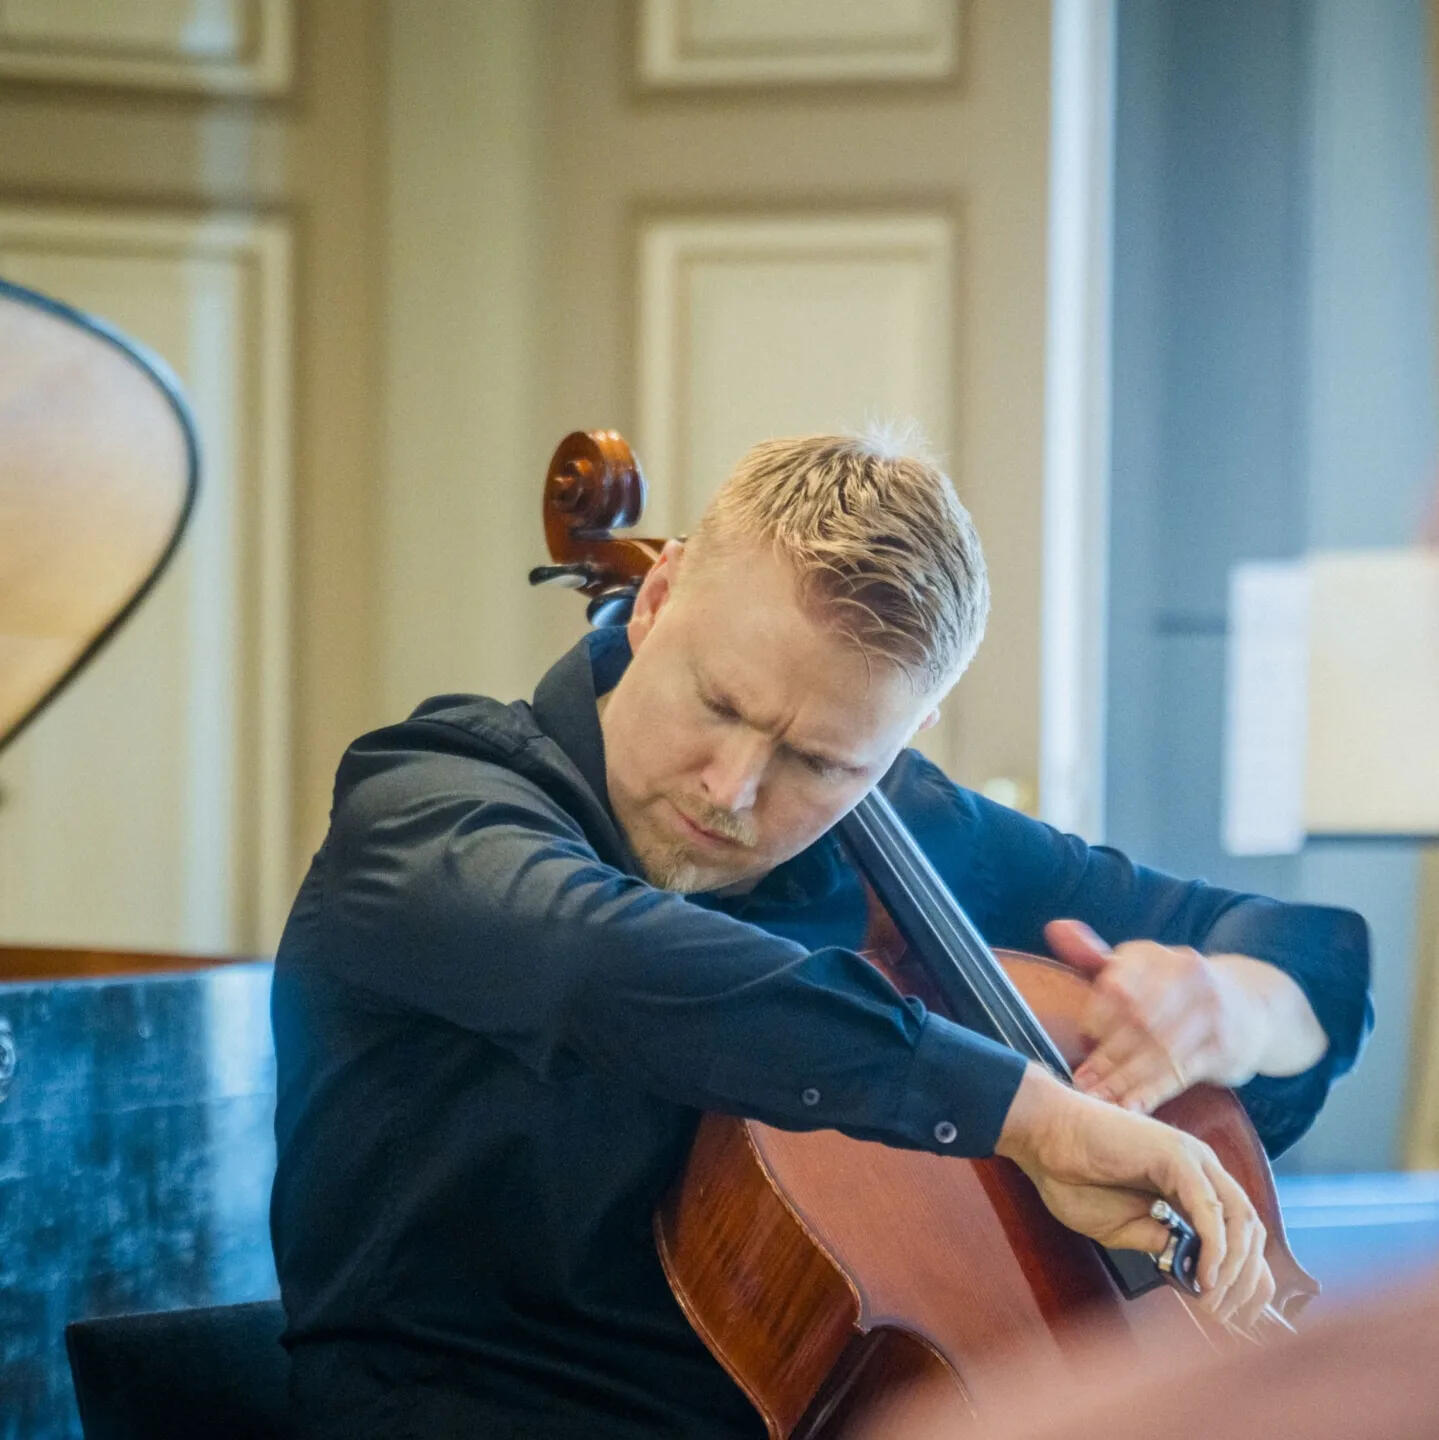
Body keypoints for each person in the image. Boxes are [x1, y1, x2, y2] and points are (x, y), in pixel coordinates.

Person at [270, 435, 1371, 1440]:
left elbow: (1306, 948)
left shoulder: (897, 828)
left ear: (901, 742)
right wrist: (1029, 1113)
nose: (732, 788)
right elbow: (611, 965)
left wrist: (1236, 1003)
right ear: (655, 598)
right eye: (718, 703)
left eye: (820, 761)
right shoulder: (430, 805)